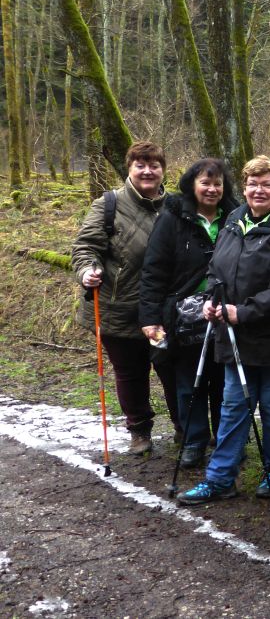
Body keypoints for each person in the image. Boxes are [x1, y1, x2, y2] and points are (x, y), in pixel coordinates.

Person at [177, 156, 270, 505]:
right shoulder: (235, 220)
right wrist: (212, 299)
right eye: (252, 184)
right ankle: (221, 477)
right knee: (233, 407)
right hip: (235, 336)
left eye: (266, 184)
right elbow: (217, 268)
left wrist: (246, 311)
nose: (258, 190)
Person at [72, 141, 178, 455]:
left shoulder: (176, 206)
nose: (148, 171)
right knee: (131, 372)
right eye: (140, 165)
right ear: (129, 168)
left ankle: (187, 429)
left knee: (171, 370)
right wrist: (87, 270)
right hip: (119, 309)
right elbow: (85, 247)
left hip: (162, 310)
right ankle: (140, 432)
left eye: (154, 165)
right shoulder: (107, 204)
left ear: (162, 170)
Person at [139, 158, 239, 468]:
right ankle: (194, 440)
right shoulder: (172, 218)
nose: (212, 189)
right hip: (183, 317)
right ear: (192, 185)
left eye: (217, 184)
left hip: (224, 313)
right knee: (189, 382)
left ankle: (227, 441)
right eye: (205, 183)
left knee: (225, 383)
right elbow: (153, 270)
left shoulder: (235, 217)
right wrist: (150, 318)